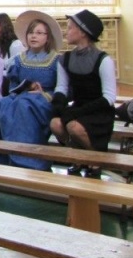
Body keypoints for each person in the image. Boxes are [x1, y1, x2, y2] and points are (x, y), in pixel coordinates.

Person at [0, 10, 62, 171]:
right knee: (3, 103)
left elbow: (63, 88)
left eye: (39, 33)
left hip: (44, 99)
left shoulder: (56, 60)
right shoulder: (19, 60)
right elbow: (13, 85)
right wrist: (23, 87)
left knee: (24, 104)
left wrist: (43, 93)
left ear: (47, 37)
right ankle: (0, 154)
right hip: (21, 96)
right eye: (31, 32)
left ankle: (26, 158)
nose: (34, 36)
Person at [50, 10, 116, 178]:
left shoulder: (103, 60)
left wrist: (76, 113)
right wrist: (60, 106)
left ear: (83, 32)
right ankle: (77, 157)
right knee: (55, 124)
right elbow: (61, 88)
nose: (67, 31)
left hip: (98, 112)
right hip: (78, 108)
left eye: (70, 28)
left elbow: (109, 97)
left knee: (73, 126)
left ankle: (96, 160)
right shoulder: (65, 58)